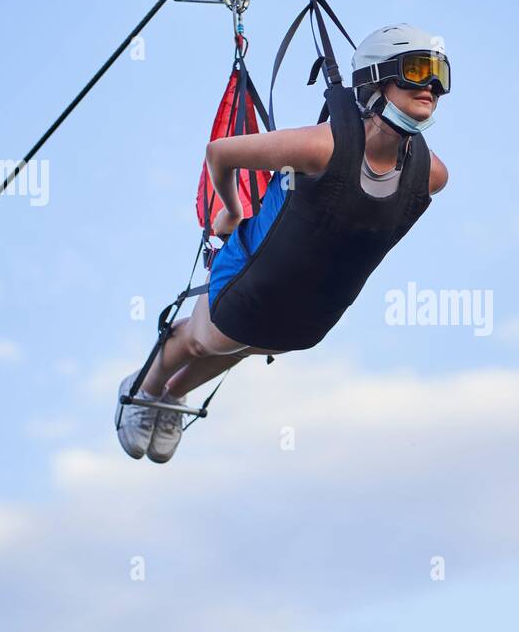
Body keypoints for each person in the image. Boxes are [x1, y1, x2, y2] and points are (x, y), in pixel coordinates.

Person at [117, 24, 450, 462]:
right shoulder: (322, 146)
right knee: (205, 341)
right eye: (417, 70)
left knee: (243, 343)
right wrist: (234, 211)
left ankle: (173, 397)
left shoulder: (430, 175)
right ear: (376, 78)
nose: (431, 85)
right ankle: (147, 389)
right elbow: (220, 152)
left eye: (440, 74)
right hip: (249, 282)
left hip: (309, 317)